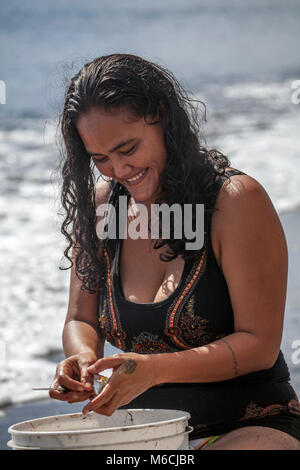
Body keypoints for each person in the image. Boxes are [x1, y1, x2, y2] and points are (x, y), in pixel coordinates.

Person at [50, 53, 300, 450]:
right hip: (144, 436)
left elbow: (260, 344)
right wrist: (82, 360)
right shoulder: (101, 207)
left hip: (247, 428)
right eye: (100, 158)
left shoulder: (235, 201)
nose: (118, 169)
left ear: (162, 117)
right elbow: (81, 318)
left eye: (127, 148)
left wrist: (154, 370)